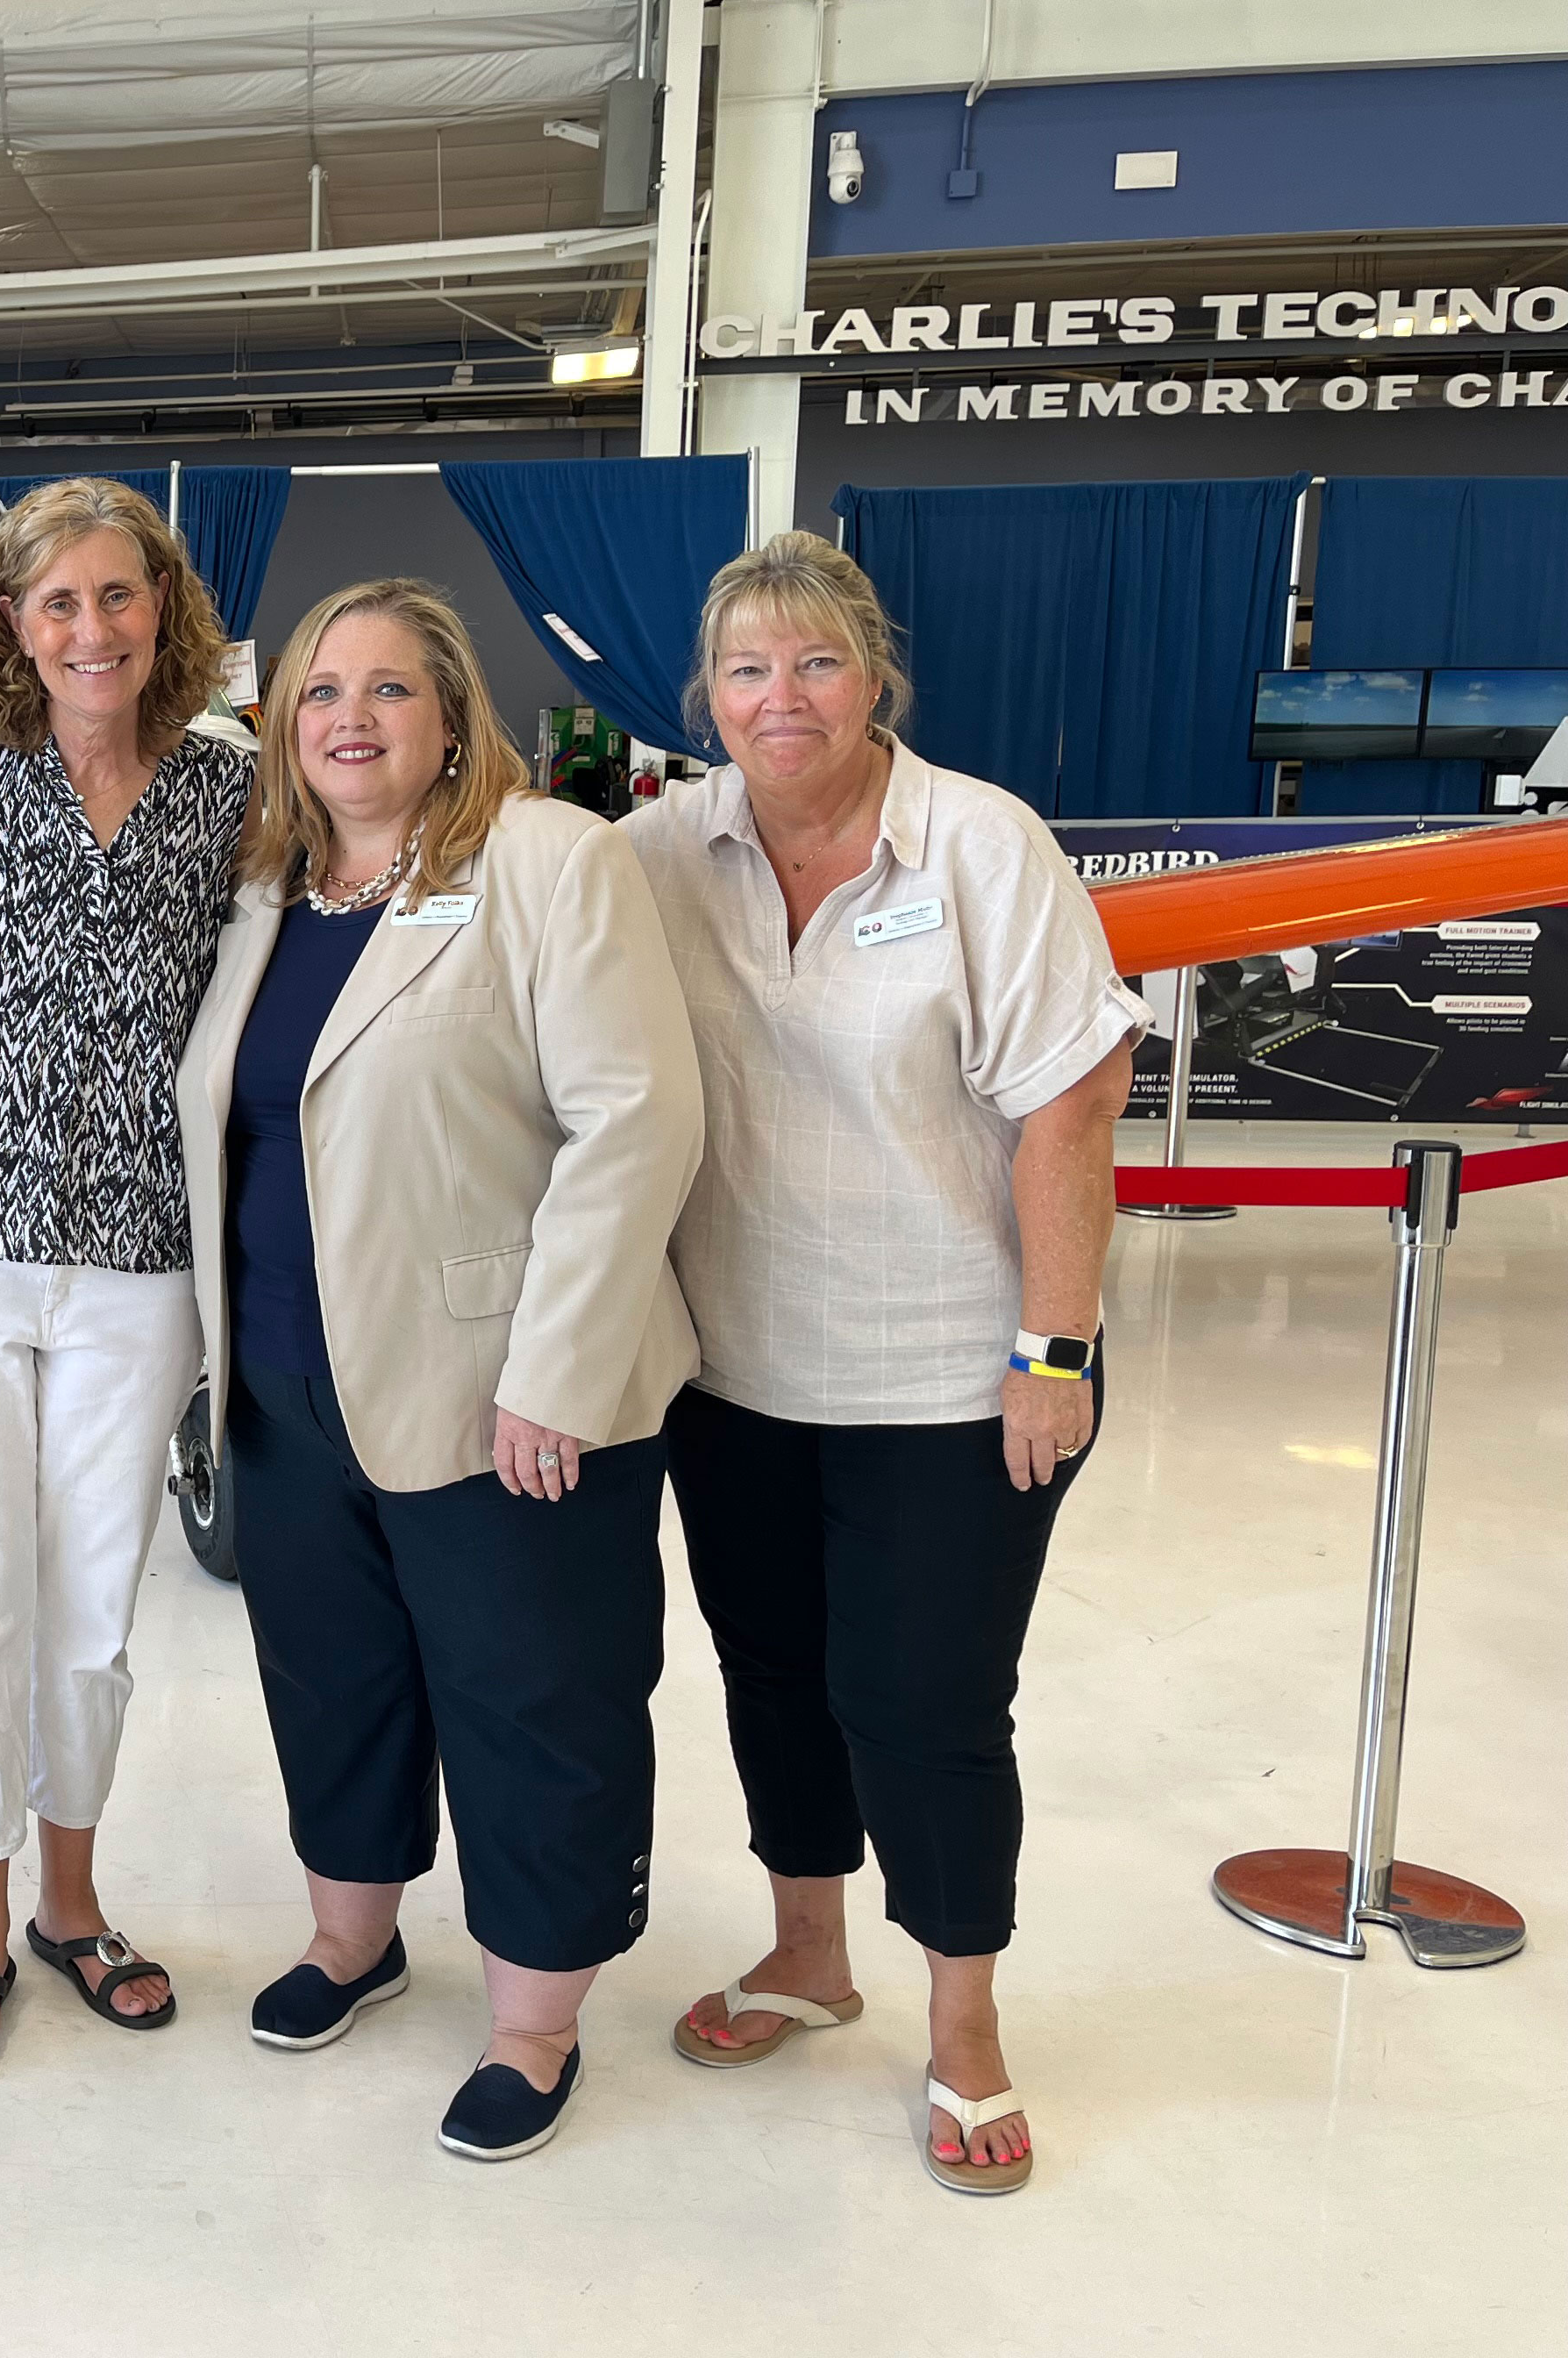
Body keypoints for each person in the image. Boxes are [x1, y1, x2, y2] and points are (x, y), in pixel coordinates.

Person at [621, 530, 1144, 2197]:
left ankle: (966, 2021)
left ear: (874, 681)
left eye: (816, 663)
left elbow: (1072, 1101)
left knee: (921, 1705)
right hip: (739, 1370)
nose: (782, 699)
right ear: (706, 694)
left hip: (952, 1374)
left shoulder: (982, 843)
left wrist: (1052, 1350)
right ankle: (807, 1954)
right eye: (748, 669)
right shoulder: (662, 851)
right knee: (772, 1675)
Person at [175, 579, 702, 2158]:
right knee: (334, 1679)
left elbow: (638, 1119)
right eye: (322, 692)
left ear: (453, 719)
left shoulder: (551, 863)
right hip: (286, 1377)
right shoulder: (267, 887)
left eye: (390, 691)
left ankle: (534, 2025)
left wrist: (559, 1366)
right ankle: (354, 1938)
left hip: (505, 1386)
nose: (349, 719)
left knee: (534, 1693)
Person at [0, 476, 253, 2077]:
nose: (92, 626)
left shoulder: (228, 792)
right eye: (57, 601)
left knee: (94, 1612)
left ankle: (71, 1907)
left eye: (118, 595)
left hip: (139, 1261)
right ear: (9, 624)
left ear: (164, 609)